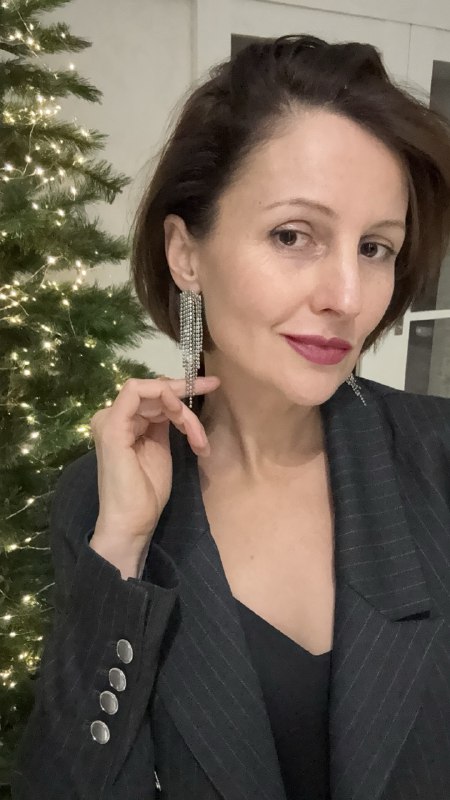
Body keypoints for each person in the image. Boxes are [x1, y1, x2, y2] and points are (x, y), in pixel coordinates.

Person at [11, 33, 450, 800]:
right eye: (293, 235)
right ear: (187, 254)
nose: (348, 297)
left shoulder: (438, 458)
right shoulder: (101, 501)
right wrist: (121, 548)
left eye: (376, 248)